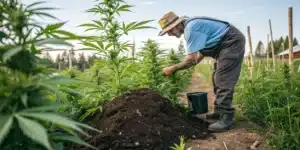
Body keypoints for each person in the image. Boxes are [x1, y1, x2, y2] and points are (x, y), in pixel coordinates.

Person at [158, 12, 245, 132]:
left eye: (169, 30)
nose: (169, 34)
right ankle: (219, 112)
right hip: (224, 43)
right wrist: (193, 62)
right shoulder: (191, 26)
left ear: (177, 25)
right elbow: (200, 52)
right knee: (217, 78)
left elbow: (191, 59)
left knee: (223, 79)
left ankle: (226, 118)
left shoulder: (191, 29)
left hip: (231, 41)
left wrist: (173, 68)